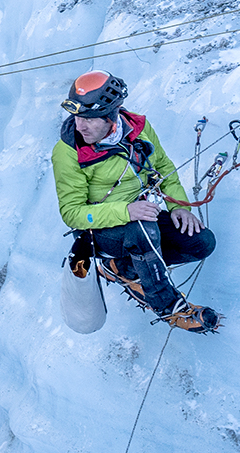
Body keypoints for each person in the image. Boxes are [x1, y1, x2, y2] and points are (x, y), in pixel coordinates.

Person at [50, 71, 220, 333]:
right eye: (77, 117)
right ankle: (167, 306)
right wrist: (126, 211)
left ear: (112, 115)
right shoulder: (68, 151)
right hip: (102, 230)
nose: (80, 126)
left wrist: (180, 207)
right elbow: (72, 213)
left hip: (142, 218)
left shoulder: (139, 128)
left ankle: (124, 268)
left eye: (89, 119)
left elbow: (163, 166)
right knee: (140, 228)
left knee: (202, 242)